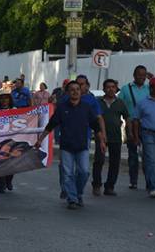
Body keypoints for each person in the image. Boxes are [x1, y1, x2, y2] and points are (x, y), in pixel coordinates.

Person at [35, 81, 106, 210]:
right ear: (68, 92)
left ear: (81, 91)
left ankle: (78, 193)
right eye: (72, 89)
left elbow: (96, 127)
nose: (75, 92)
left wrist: (101, 141)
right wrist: (40, 139)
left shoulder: (86, 107)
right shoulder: (62, 108)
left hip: (82, 146)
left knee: (84, 172)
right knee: (67, 174)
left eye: (77, 89)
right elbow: (51, 125)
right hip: (66, 146)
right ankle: (72, 199)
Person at [91, 79, 129, 196]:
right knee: (99, 161)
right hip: (101, 136)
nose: (111, 89)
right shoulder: (98, 102)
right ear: (104, 89)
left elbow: (127, 117)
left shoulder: (120, 103)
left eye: (113, 87)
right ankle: (97, 185)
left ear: (116, 89)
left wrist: (129, 132)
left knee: (115, 162)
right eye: (108, 87)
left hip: (116, 137)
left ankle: (110, 186)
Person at [118, 65, 151, 189]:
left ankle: (149, 180)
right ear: (134, 75)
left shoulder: (149, 89)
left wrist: (153, 79)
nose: (141, 77)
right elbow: (119, 104)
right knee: (133, 155)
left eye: (144, 75)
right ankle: (133, 180)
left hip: (147, 125)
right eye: (139, 74)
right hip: (131, 125)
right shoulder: (126, 89)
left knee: (148, 155)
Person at [0, 92, 16, 193]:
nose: (4, 100)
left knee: (11, 163)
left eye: (6, 98)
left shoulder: (15, 110)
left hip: (12, 140)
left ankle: (8, 180)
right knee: (0, 164)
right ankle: (1, 184)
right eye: (2, 98)